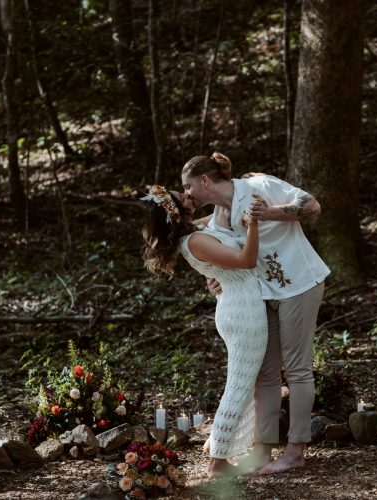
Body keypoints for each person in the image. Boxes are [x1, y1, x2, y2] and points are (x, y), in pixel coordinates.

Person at [181, 152, 331, 474]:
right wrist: (217, 277)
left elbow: (313, 206)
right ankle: (262, 450)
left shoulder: (260, 185)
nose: (188, 193)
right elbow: (210, 247)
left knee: (297, 369)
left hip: (299, 285)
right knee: (265, 373)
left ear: (205, 180)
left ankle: (295, 451)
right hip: (262, 295)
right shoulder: (219, 215)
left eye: (188, 186)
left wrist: (271, 212)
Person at [141, 185, 268, 479]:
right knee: (238, 387)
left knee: (243, 384)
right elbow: (247, 261)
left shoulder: (193, 232)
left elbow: (218, 219)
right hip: (243, 312)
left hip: (237, 306)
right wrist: (254, 227)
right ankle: (217, 463)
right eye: (182, 197)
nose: (189, 197)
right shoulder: (195, 240)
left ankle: (219, 444)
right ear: (175, 211)